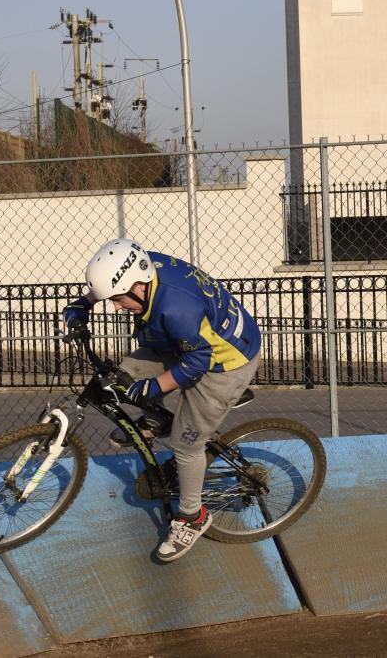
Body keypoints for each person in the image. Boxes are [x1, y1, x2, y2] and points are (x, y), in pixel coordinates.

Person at [61, 238, 261, 563]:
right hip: (184, 342)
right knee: (125, 376)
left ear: (139, 287)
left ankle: (192, 517)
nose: (115, 306)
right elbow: (110, 282)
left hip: (224, 361)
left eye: (118, 299)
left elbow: (199, 361)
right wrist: (83, 303)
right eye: (110, 299)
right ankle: (160, 418)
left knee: (186, 444)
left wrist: (154, 388)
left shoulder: (175, 308)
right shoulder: (141, 266)